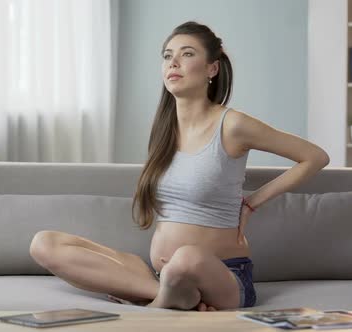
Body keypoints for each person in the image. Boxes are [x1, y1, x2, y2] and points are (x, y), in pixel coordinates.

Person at [29, 21, 330, 311]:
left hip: (222, 275)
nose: (174, 63)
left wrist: (252, 203)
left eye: (187, 54)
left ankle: (157, 304)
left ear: (212, 68)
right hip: (160, 274)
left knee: (185, 260)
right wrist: (164, 279)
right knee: (44, 243)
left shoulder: (233, 124)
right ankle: (166, 295)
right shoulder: (164, 130)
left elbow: (315, 157)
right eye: (167, 56)